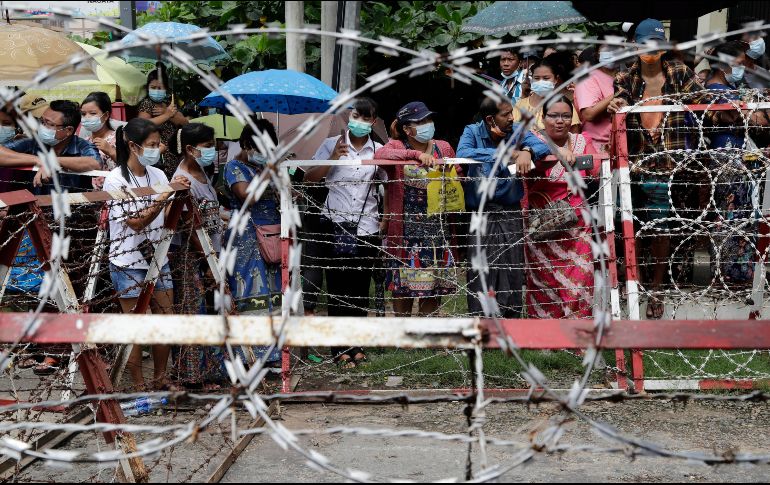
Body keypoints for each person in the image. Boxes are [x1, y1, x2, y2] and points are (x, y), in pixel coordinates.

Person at [608, 18, 704, 319]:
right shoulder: (627, 78)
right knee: (631, 228)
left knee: (660, 229)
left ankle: (656, 288)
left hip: (667, 164)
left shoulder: (679, 74)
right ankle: (634, 281)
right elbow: (621, 100)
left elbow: (703, 102)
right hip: (635, 163)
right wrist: (616, 106)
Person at [103, 118, 191, 390]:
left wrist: (176, 197)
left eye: (159, 144)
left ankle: (161, 378)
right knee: (136, 328)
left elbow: (163, 218)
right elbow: (135, 222)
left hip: (158, 257)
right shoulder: (115, 179)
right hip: (127, 261)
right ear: (133, 146)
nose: (158, 149)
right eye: (152, 145)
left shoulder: (158, 175)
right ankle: (139, 383)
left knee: (165, 320)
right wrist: (164, 196)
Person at [457, 97, 563, 318]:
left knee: (512, 264)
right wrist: (506, 154)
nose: (510, 118)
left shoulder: (516, 130)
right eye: (505, 114)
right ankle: (481, 319)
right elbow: (464, 152)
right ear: (489, 119)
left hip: (510, 208)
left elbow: (542, 145)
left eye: (510, 113)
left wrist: (526, 151)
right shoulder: (472, 131)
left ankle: (511, 318)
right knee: (480, 266)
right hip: (481, 211)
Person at [304, 97, 384, 368]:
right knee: (337, 287)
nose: (359, 122)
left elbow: (390, 182)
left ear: (373, 121)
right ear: (348, 118)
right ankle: (339, 349)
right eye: (355, 116)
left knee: (360, 288)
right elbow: (309, 178)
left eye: (365, 117)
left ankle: (357, 344)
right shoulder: (330, 145)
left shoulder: (379, 151)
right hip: (334, 224)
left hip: (367, 226)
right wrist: (332, 159)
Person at [374, 101, 459, 317]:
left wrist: (452, 172)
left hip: (437, 228)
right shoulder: (397, 147)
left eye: (428, 119)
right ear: (406, 129)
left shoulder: (443, 147)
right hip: (405, 230)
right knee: (402, 283)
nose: (426, 125)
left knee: (433, 283)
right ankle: (404, 331)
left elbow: (459, 174)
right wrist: (415, 156)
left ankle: (427, 329)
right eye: (420, 122)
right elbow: (380, 155)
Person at [524, 96, 600, 319]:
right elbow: (518, 170)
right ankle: (545, 339)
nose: (560, 121)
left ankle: (578, 335)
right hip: (541, 224)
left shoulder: (580, 140)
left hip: (577, 225)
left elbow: (594, 169)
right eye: (554, 116)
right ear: (543, 117)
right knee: (544, 281)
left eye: (566, 116)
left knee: (581, 279)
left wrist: (575, 158)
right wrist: (553, 154)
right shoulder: (531, 144)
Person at [167, 122, 228, 388]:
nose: (213, 150)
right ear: (191, 149)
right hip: (193, 256)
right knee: (194, 313)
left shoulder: (201, 171)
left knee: (211, 313)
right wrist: (206, 259)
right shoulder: (183, 180)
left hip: (211, 252)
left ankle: (213, 369)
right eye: (208, 146)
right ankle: (193, 375)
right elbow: (188, 226)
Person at [705, 41, 769, 284]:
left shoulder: (727, 89)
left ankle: (735, 271)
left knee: (739, 213)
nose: (744, 68)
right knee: (730, 215)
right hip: (726, 156)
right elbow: (757, 120)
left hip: (736, 155)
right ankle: (729, 273)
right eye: (741, 64)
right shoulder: (718, 90)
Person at [223, 118, 283, 364]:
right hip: (246, 238)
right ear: (247, 144)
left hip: (272, 236)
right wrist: (269, 172)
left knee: (274, 292)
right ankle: (250, 356)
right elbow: (246, 195)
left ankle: (275, 354)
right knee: (248, 292)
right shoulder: (234, 167)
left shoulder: (263, 168)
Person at [5, 99, 102, 192]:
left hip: (72, 207)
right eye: (42, 121)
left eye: (49, 124)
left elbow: (95, 163)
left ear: (68, 130)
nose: (42, 127)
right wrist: (38, 160)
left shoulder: (82, 146)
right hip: (33, 206)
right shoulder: (33, 142)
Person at [137, 63, 188, 178]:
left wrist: (168, 112)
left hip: (173, 154)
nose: (156, 90)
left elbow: (185, 123)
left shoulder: (168, 105)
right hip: (157, 154)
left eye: (160, 88)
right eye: (153, 87)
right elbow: (142, 125)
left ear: (166, 89)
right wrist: (166, 115)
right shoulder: (147, 104)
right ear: (148, 88)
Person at [512, 55, 581, 133]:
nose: (541, 82)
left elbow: (574, 137)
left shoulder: (564, 105)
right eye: (537, 78)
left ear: (556, 79)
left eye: (546, 78)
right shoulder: (520, 104)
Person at [574, 43, 618, 155]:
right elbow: (589, 114)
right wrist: (617, 94)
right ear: (597, 54)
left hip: (622, 144)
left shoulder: (627, 76)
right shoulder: (587, 78)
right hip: (596, 148)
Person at [80, 91, 117, 190]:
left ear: (106, 115)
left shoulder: (119, 138)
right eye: (83, 114)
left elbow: (132, 167)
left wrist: (111, 152)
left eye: (92, 113)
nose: (87, 117)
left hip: (115, 195)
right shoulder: (84, 142)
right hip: (90, 197)